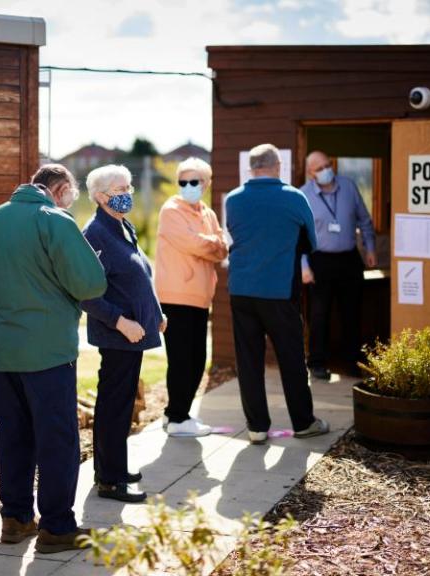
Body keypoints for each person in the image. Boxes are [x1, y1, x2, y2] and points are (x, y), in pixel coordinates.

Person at [0, 164, 106, 554]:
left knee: (13, 436)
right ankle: (58, 528)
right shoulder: (55, 219)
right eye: (72, 194)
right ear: (61, 189)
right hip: (49, 349)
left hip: (7, 348)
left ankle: (15, 519)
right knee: (57, 440)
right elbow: (91, 283)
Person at [225, 143, 329, 445]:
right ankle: (303, 422)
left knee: (249, 360)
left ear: (251, 168)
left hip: (241, 290)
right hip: (279, 291)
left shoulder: (233, 199)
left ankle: (257, 427)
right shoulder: (294, 198)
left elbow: (238, 233)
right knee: (291, 357)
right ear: (278, 166)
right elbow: (312, 241)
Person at [81, 164, 165, 503]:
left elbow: (138, 273)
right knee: (114, 406)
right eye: (120, 188)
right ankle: (110, 482)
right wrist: (122, 322)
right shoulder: (95, 234)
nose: (128, 192)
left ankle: (111, 467)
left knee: (119, 403)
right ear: (101, 196)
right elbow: (87, 293)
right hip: (118, 336)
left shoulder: (121, 225)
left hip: (134, 335)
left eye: (129, 185)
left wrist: (155, 312)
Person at [154, 157, 227, 437]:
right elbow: (196, 243)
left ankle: (174, 414)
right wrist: (211, 245)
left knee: (197, 359)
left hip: (199, 296)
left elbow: (222, 249)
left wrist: (210, 245)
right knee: (183, 359)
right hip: (175, 297)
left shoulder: (207, 213)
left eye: (193, 181)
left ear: (206, 184)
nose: (187, 186)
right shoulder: (171, 210)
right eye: (182, 182)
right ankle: (178, 419)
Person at [300, 150, 376, 379]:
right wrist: (304, 266)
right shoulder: (303, 195)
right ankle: (317, 363)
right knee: (319, 314)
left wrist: (370, 248)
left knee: (351, 312)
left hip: (349, 258)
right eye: (319, 168)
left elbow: (365, 219)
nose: (325, 171)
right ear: (310, 173)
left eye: (327, 165)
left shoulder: (349, 187)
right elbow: (299, 234)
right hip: (320, 260)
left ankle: (352, 361)